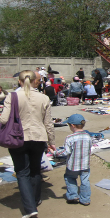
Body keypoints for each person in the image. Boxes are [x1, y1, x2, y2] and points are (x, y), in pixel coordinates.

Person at [0, 70, 55, 218]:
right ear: (35, 81)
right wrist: (51, 142)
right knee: (35, 170)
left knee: (22, 173)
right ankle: (35, 200)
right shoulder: (43, 98)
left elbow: (4, 120)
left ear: (19, 81)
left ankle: (30, 209)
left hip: (18, 138)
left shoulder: (12, 96)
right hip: (38, 138)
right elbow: (48, 123)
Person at [53, 114, 92, 206]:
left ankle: (73, 196)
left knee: (70, 178)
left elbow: (66, 152)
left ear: (72, 125)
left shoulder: (70, 138)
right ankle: (85, 199)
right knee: (85, 181)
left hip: (73, 165)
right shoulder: (88, 136)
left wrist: (55, 153)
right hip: (85, 165)